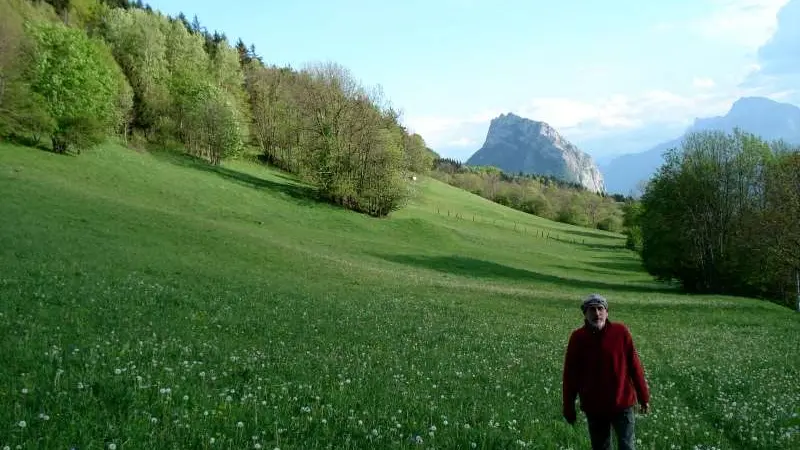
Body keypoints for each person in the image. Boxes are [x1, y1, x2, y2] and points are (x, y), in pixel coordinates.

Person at [562, 293, 650, 450]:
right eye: (592, 310)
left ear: (606, 312)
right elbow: (570, 375)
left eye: (600, 309)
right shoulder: (578, 338)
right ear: (585, 314)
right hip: (594, 407)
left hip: (622, 404)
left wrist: (643, 396)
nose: (597, 314)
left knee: (627, 446)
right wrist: (568, 407)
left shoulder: (621, 332)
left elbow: (634, 365)